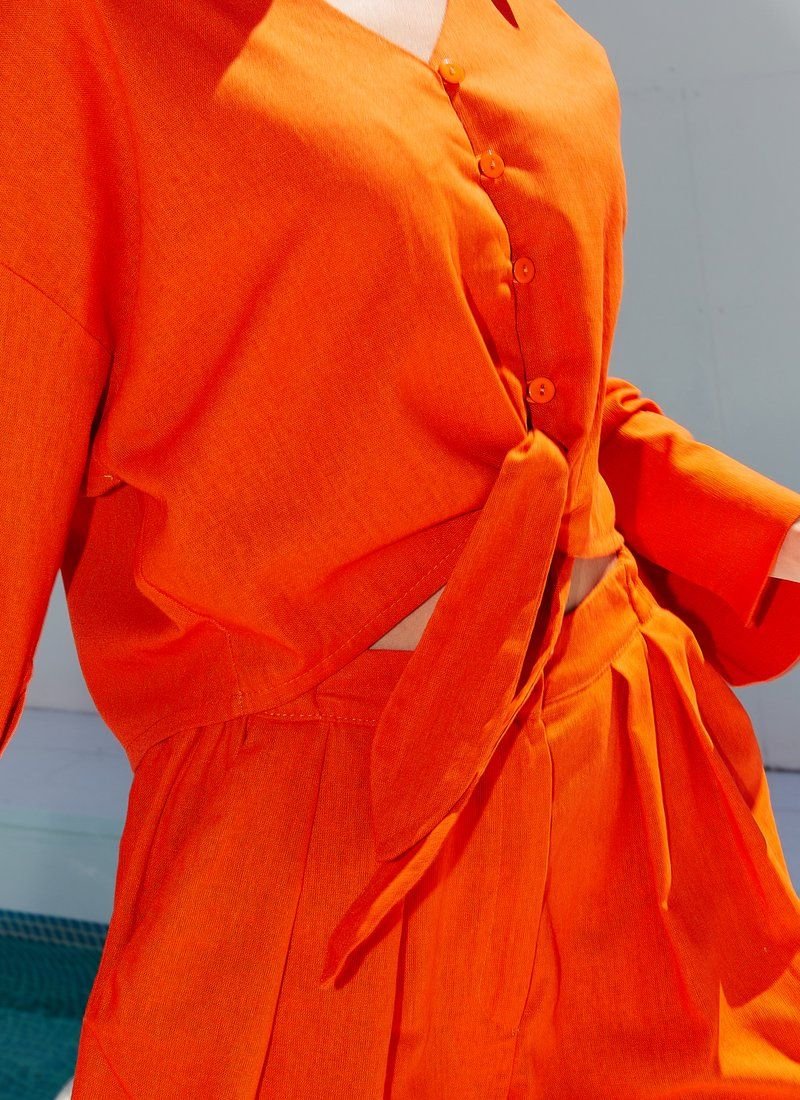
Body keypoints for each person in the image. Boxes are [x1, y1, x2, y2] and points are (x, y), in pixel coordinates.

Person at [3, 0, 800, 1096]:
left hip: (630, 773)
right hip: (325, 841)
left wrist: (765, 533)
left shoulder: (523, 28)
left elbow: (523, 397)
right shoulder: (77, 37)